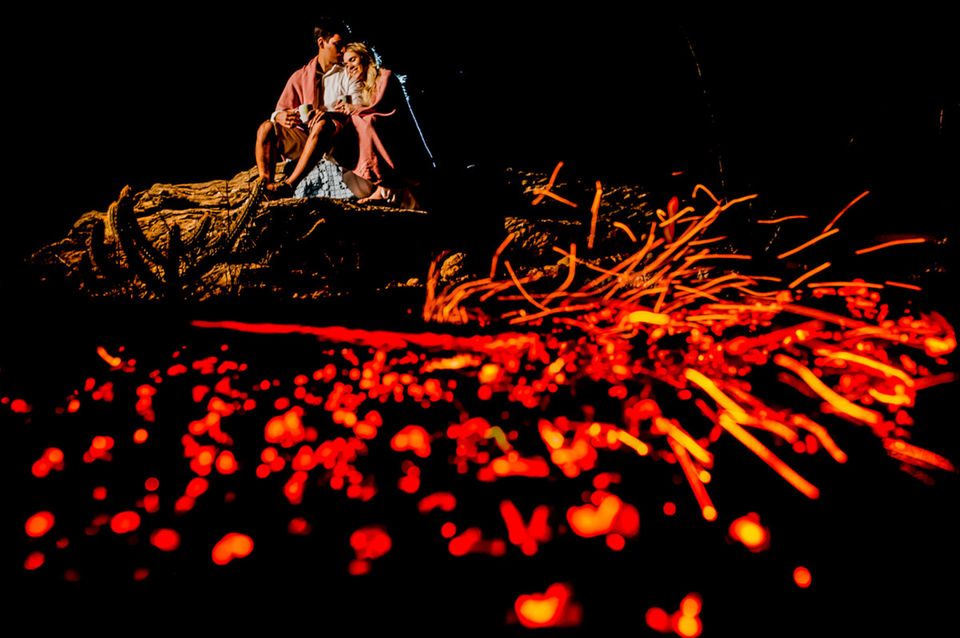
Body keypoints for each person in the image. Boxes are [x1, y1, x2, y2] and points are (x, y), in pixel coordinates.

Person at [254, 18, 362, 195]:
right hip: (306, 138)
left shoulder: (348, 73)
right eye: (338, 44)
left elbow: (357, 109)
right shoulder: (301, 75)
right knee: (265, 128)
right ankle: (265, 185)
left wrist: (328, 115)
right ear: (321, 43)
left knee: (322, 125)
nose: (343, 50)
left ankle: (289, 186)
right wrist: (279, 116)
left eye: (345, 45)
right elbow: (279, 111)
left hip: (337, 139)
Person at [334, 42, 429, 207]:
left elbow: (380, 107)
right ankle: (383, 184)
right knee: (355, 123)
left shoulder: (385, 76)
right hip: (384, 132)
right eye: (346, 65)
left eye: (353, 60)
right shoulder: (363, 88)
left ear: (365, 58)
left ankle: (385, 183)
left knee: (368, 123)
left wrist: (354, 109)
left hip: (397, 129)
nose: (350, 67)